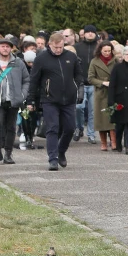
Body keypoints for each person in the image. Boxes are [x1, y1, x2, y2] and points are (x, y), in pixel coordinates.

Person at [26, 30, 85, 171]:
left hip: (69, 99)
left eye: (61, 47)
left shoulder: (71, 56)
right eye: (56, 47)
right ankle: (53, 159)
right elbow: (34, 80)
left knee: (70, 128)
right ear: (50, 45)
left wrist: (77, 88)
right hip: (49, 99)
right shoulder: (41, 58)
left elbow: (78, 75)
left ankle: (61, 151)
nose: (58, 50)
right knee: (52, 128)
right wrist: (30, 100)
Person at [0, 36, 29, 165]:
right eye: (2, 46)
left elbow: (26, 80)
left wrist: (22, 94)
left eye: (8, 46)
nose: (5, 48)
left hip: (14, 100)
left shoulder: (18, 63)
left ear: (11, 49)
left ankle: (8, 153)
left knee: (11, 127)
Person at [109, 45, 128, 154]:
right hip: (120, 98)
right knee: (120, 124)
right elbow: (112, 85)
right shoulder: (117, 67)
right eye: (127, 54)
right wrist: (111, 101)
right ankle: (118, 142)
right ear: (123, 55)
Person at [88, 41, 116, 151]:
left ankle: (113, 141)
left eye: (109, 51)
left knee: (112, 117)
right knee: (101, 118)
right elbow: (90, 78)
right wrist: (103, 82)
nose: (107, 53)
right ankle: (103, 143)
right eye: (105, 51)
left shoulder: (115, 61)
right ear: (100, 50)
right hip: (100, 92)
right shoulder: (94, 61)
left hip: (113, 92)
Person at [76, 25, 100, 144]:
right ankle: (79, 127)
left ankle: (91, 134)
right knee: (78, 107)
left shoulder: (99, 47)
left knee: (93, 111)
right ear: (83, 34)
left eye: (92, 32)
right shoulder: (77, 47)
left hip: (94, 83)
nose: (90, 34)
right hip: (80, 83)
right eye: (88, 32)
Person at [18, 39, 40, 150]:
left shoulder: (38, 67)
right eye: (29, 63)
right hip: (24, 96)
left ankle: (31, 137)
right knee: (25, 117)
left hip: (35, 96)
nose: (31, 65)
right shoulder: (20, 67)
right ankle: (27, 137)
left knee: (34, 118)